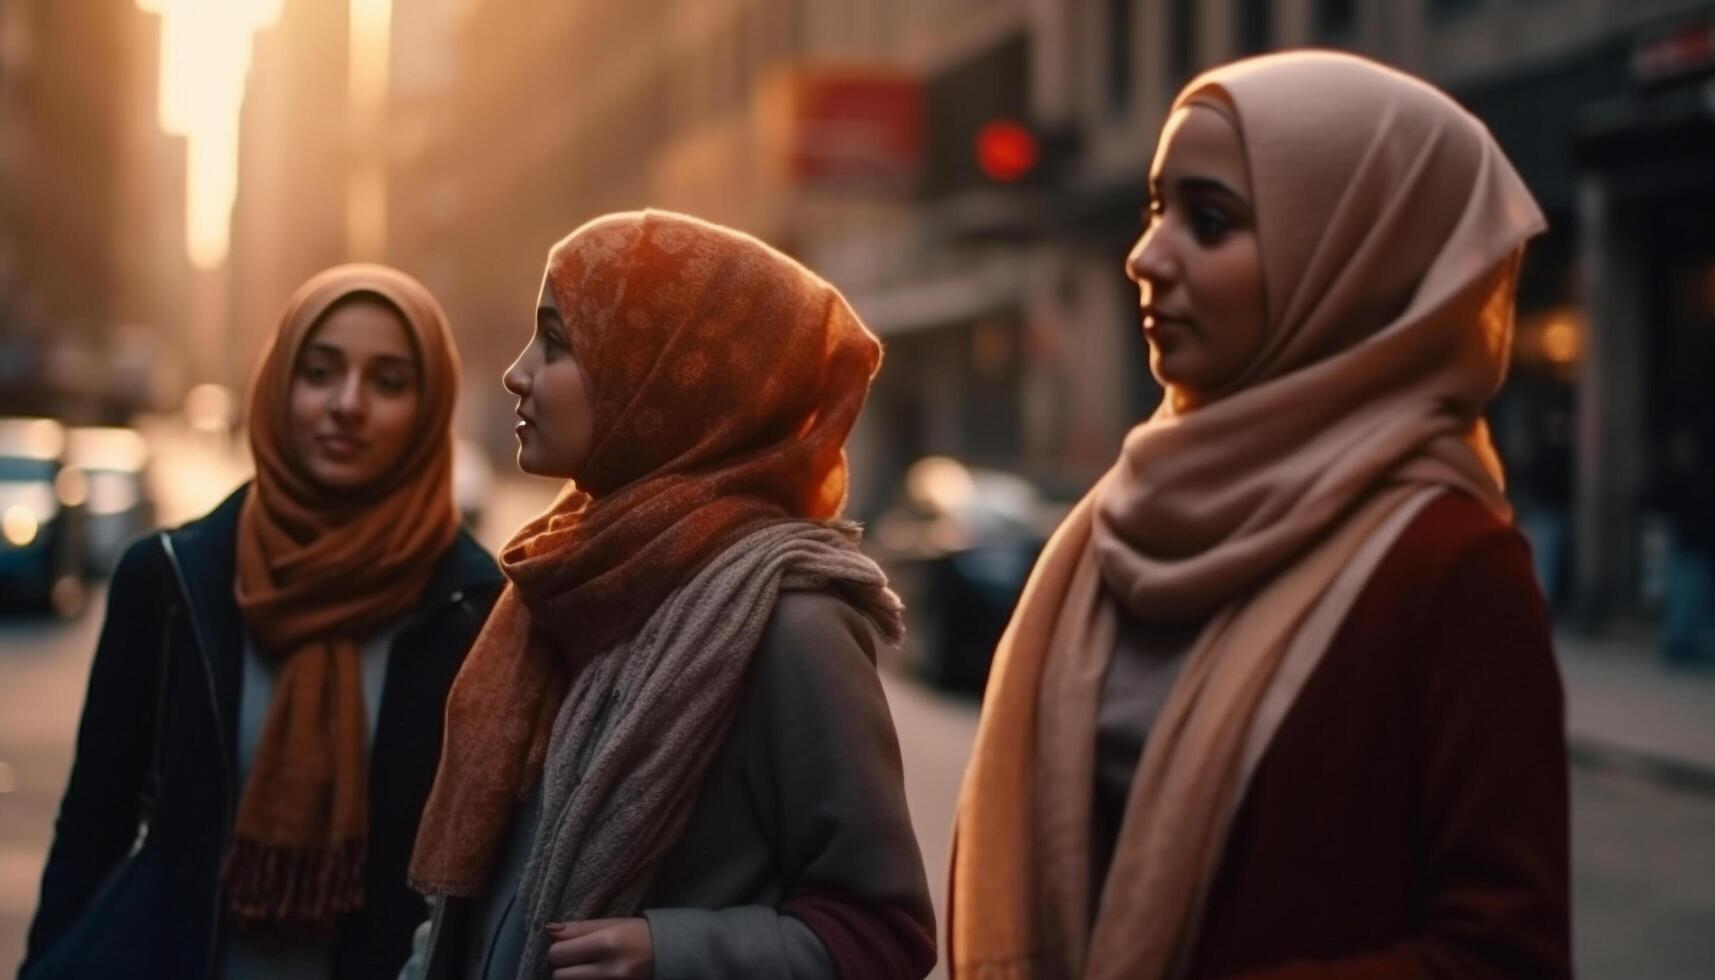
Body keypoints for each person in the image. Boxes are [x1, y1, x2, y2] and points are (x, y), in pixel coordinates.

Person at [950, 52, 1570, 979]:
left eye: (1209, 221)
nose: (1145, 256)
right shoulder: (1113, 526)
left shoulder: (1448, 564)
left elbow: (1505, 954)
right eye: (1154, 209)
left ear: (1350, 259)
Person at [401, 210, 935, 980]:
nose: (518, 372)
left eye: (556, 343)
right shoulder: (562, 580)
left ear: (657, 377)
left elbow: (885, 934)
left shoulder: (788, 619)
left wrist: (674, 951)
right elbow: (478, 892)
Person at [22, 265, 504, 980]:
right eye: (319, 372)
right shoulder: (168, 581)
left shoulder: (478, 612)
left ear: (429, 409)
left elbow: (484, 884)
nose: (347, 403)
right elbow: (93, 828)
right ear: (279, 387)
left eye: (389, 382)